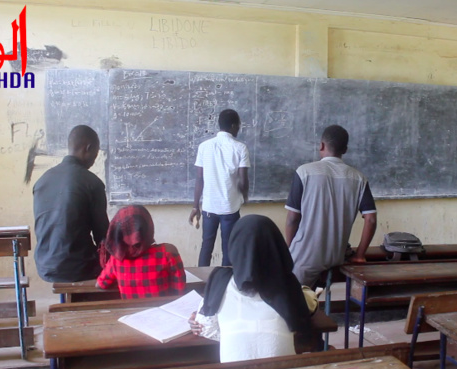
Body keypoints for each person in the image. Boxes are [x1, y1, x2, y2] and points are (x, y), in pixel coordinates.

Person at [188, 215, 312, 363]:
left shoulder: (220, 282)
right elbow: (307, 308)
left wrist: (234, 334)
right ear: (277, 246)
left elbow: (204, 326)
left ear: (234, 248)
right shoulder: (289, 285)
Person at [285, 125, 377, 287]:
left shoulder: (304, 172)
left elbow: (293, 219)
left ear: (321, 146)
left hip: (305, 257)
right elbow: (370, 220)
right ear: (345, 149)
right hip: (336, 257)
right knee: (313, 299)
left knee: (294, 304)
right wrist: (360, 254)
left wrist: (288, 250)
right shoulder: (359, 178)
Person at [33, 125, 109, 283]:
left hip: (44, 265)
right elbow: (103, 236)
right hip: (78, 268)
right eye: (95, 153)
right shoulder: (92, 183)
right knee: (122, 273)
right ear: (88, 148)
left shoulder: (42, 181)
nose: (95, 159)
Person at [188, 109, 250, 267]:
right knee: (229, 249)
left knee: (206, 247)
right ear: (234, 125)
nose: (239, 129)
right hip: (230, 208)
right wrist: (245, 196)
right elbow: (243, 181)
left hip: (209, 207)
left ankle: (202, 285)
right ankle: (224, 286)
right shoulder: (240, 148)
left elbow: (199, 179)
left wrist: (196, 206)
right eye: (239, 126)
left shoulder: (204, 147)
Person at [95, 205, 186, 298]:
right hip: (162, 310)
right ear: (149, 226)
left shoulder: (116, 259)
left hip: (131, 311)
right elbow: (179, 289)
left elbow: (100, 285)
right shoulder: (167, 252)